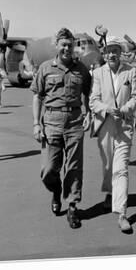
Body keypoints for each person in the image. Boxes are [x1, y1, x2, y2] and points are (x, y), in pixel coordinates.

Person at [31, 27, 92, 229]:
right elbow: (37, 96)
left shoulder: (81, 69)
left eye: (70, 44)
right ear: (56, 46)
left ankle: (72, 206)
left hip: (75, 121)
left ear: (74, 46)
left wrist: (88, 113)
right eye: (63, 44)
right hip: (51, 122)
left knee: (74, 167)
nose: (67, 48)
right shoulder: (46, 68)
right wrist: (36, 124)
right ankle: (56, 190)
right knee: (48, 170)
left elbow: (88, 94)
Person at [89, 37, 136, 233]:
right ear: (104, 53)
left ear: (121, 53)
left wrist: (125, 109)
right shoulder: (98, 73)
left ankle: (121, 213)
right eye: (109, 50)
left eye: (116, 50)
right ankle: (110, 193)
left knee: (121, 169)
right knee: (109, 166)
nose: (112, 54)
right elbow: (93, 101)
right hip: (105, 125)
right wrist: (107, 109)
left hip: (125, 126)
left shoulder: (131, 71)